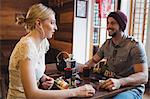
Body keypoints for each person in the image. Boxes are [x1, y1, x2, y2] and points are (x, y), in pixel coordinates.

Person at [7, 3, 95, 99]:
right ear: (39, 24)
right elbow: (32, 94)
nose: (56, 28)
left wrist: (42, 78)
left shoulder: (43, 42)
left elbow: (33, 69)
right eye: (52, 23)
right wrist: (76, 92)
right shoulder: (26, 46)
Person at [80, 11, 148, 99]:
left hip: (131, 88)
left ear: (121, 25)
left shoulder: (135, 45)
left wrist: (120, 82)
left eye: (112, 23)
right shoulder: (107, 44)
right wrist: (85, 66)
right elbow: (94, 60)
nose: (108, 26)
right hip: (110, 84)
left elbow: (144, 76)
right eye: (108, 23)